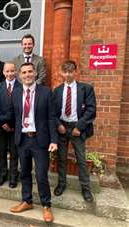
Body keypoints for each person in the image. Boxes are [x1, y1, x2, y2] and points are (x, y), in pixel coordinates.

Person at [0, 62, 57, 223]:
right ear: (20, 75)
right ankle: (27, 201)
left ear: (35, 73)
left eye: (30, 71)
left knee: (41, 175)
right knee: (24, 173)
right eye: (24, 72)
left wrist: (54, 140)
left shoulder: (46, 92)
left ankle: (46, 205)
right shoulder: (16, 93)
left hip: (40, 140)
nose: (27, 75)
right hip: (22, 139)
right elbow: (10, 114)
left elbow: (52, 117)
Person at [53, 60, 96, 203]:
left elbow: (91, 110)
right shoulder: (57, 90)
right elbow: (52, 112)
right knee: (62, 158)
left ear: (75, 72)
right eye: (65, 71)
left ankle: (86, 189)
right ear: (61, 72)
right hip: (62, 128)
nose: (68, 74)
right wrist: (58, 125)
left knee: (81, 160)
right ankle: (61, 184)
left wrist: (79, 127)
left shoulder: (86, 89)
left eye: (71, 71)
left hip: (77, 127)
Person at [0, 62, 19, 188]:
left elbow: (19, 109)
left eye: (12, 71)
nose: (9, 73)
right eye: (7, 71)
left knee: (14, 152)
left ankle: (13, 175)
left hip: (15, 126)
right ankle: (2, 174)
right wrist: (3, 122)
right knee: (1, 151)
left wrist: (11, 124)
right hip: (1, 126)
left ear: (16, 71)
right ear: (3, 72)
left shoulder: (21, 86)